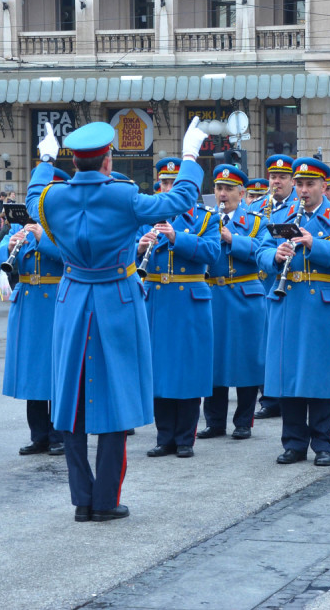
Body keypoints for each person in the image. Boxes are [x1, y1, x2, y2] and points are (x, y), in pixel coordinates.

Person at [27, 119, 208, 523]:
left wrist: (45, 157)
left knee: (71, 398)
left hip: (73, 297)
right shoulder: (124, 196)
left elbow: (32, 193)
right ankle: (106, 499)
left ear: (74, 162)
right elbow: (177, 201)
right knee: (116, 397)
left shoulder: (52, 199)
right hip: (117, 298)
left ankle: (81, 499)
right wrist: (191, 156)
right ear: (108, 161)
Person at [256, 157, 330, 467]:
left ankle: (324, 443)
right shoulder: (280, 215)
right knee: (289, 375)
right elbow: (259, 250)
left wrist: (316, 244)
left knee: (321, 375)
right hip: (287, 300)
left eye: (309, 184)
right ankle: (294, 443)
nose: (303, 190)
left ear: (324, 186)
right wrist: (274, 255)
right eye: (299, 184)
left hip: (321, 304)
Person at [137, 156, 220, 458]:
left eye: (175, 183)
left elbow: (212, 253)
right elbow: (125, 255)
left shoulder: (206, 217)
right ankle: (164, 437)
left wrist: (178, 238)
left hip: (189, 301)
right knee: (158, 371)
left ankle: (185, 438)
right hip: (156, 298)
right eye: (164, 183)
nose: (169, 188)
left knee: (188, 370)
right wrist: (139, 248)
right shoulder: (145, 217)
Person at [0, 208, 67, 457]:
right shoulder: (17, 227)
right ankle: (39, 436)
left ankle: (59, 434)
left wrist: (41, 239)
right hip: (27, 303)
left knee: (55, 372)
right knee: (32, 373)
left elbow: (70, 257)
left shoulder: (62, 224)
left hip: (56, 302)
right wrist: (9, 245)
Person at [200, 165, 266, 441]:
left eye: (228, 189)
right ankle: (215, 422)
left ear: (242, 192)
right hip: (214, 294)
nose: (223, 194)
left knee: (246, 361)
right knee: (213, 361)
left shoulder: (255, 220)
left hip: (245, 294)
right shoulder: (204, 219)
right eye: (218, 188)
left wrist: (234, 239)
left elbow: (265, 250)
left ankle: (243, 421)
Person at [253, 154, 299, 420]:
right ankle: (269, 397)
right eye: (273, 176)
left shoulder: (296, 207)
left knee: (285, 344)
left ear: (292, 181)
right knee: (268, 345)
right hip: (264, 282)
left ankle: (285, 396)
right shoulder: (258, 205)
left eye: (282, 177)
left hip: (287, 284)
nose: (277, 181)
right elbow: (259, 244)